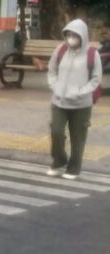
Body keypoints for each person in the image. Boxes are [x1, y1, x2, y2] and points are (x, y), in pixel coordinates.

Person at [46, 19, 102, 180]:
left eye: (75, 35)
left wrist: (80, 92)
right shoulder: (60, 50)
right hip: (59, 101)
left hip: (81, 104)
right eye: (69, 34)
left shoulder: (92, 54)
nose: (71, 38)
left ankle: (74, 168)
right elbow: (52, 70)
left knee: (78, 138)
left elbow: (96, 79)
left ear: (82, 36)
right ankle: (59, 160)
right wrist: (55, 86)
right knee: (56, 132)